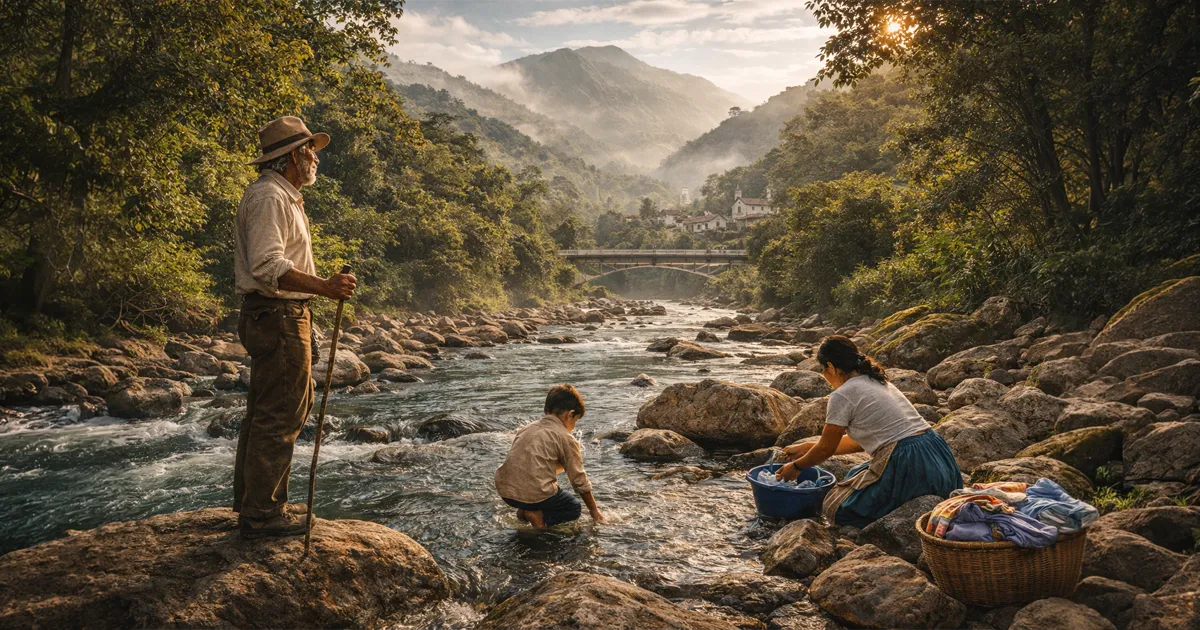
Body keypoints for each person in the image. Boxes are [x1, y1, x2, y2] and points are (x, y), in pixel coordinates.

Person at [233, 115, 358, 538]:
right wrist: (324, 287)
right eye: (310, 150)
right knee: (280, 412)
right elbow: (268, 266)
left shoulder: (283, 196)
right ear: (292, 155)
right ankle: (263, 514)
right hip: (278, 316)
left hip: (277, 316)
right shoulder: (270, 197)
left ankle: (253, 504)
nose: (315, 158)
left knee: (268, 410)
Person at [775, 336, 962, 527]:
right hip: (938, 458)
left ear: (831, 367)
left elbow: (825, 450)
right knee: (855, 474)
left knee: (835, 507)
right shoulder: (879, 381)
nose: (824, 375)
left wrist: (796, 467)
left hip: (911, 465)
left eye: (823, 369)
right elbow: (859, 442)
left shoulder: (842, 395)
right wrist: (808, 448)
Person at [495, 385, 606, 529]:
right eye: (575, 421)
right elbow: (579, 479)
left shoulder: (527, 428)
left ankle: (524, 510)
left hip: (505, 490)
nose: (574, 427)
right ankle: (539, 518)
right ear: (570, 414)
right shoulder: (565, 437)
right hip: (533, 493)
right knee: (573, 507)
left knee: (538, 487)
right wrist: (594, 510)